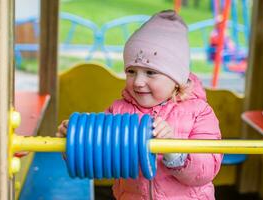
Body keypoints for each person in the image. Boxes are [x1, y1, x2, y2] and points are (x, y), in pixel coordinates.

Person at [57, 10, 222, 200]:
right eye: (131, 71)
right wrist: (74, 142)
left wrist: (173, 150)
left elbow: (206, 171)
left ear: (177, 79)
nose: (138, 82)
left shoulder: (199, 113)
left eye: (150, 72)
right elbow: (97, 162)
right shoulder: (118, 112)